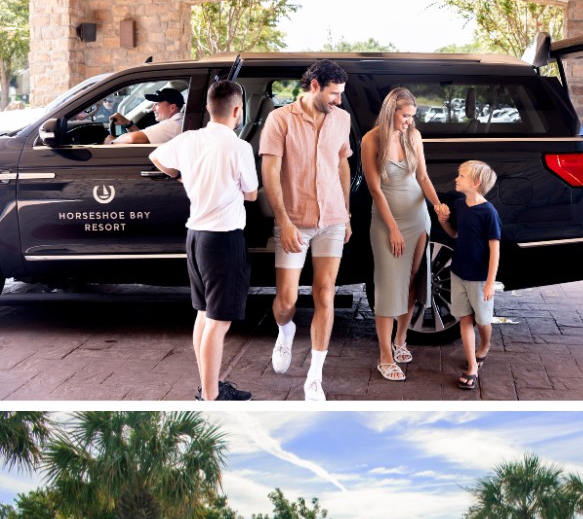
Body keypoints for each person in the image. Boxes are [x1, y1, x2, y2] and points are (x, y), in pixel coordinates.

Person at [149, 78, 257, 401]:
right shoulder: (239, 147)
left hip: (195, 238)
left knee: (203, 315)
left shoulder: (188, 139)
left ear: (210, 108)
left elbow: (156, 157)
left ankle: (208, 387)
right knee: (218, 323)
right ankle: (210, 397)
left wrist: (181, 175)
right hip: (223, 240)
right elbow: (251, 193)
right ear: (237, 110)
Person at [260, 59, 352, 401]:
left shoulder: (341, 119)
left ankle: (315, 376)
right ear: (314, 86)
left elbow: (342, 163)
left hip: (332, 219)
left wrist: (347, 214)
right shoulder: (280, 120)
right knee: (286, 301)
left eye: (341, 94)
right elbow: (270, 172)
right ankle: (285, 330)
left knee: (324, 293)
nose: (338, 101)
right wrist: (283, 221)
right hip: (294, 220)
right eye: (334, 94)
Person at [361, 87, 449, 382]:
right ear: (391, 111)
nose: (409, 121)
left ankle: (400, 341)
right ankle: (384, 357)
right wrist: (393, 228)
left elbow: (422, 177)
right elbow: (374, 189)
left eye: (413, 116)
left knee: (413, 281)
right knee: (388, 287)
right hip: (388, 221)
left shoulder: (413, 136)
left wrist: (437, 206)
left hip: (418, 218)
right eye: (405, 115)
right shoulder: (371, 140)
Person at [436, 160, 501, 389]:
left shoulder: (488, 212)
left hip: (480, 278)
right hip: (458, 272)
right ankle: (472, 366)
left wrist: (490, 282)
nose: (456, 178)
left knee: (483, 320)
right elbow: (454, 234)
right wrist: (443, 221)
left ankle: (484, 345)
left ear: (475, 182)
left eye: (461, 176)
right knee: (464, 318)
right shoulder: (460, 205)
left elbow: (495, 249)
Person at [106, 86, 185, 145]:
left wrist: (111, 142)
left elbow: (133, 138)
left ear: (172, 107)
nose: (153, 108)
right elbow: (144, 137)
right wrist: (128, 123)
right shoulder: (178, 122)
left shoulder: (172, 125)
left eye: (157, 104)